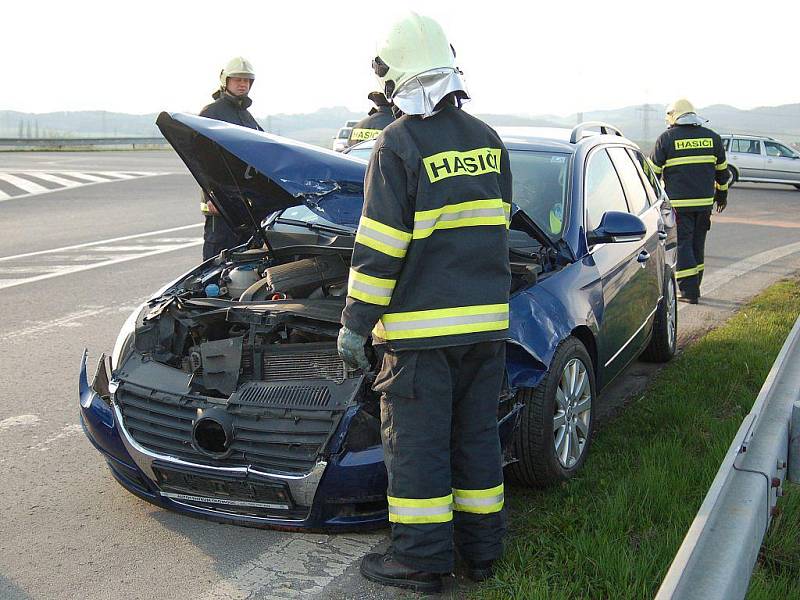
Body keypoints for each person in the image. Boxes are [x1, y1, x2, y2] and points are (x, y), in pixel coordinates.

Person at [337, 12, 511, 593]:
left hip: (420, 337)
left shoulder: (399, 142)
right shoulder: (489, 142)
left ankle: (421, 559)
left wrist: (355, 324)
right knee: (477, 439)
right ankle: (482, 553)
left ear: (399, 77)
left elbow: (381, 247)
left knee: (418, 448)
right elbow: (495, 232)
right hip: (485, 330)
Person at [651, 98, 729, 303]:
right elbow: (723, 173)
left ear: (673, 116)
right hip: (704, 204)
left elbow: (652, 174)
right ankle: (695, 285)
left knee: (683, 244)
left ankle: (688, 291)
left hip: (679, 206)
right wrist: (722, 196)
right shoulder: (713, 138)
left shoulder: (666, 139)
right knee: (697, 244)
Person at [199, 57, 263, 260]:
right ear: (225, 81)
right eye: (237, 80)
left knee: (245, 258)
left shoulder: (246, 116)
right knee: (216, 260)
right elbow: (201, 158)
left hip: (246, 202)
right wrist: (211, 196)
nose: (243, 84)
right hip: (221, 203)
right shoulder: (212, 113)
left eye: (247, 80)